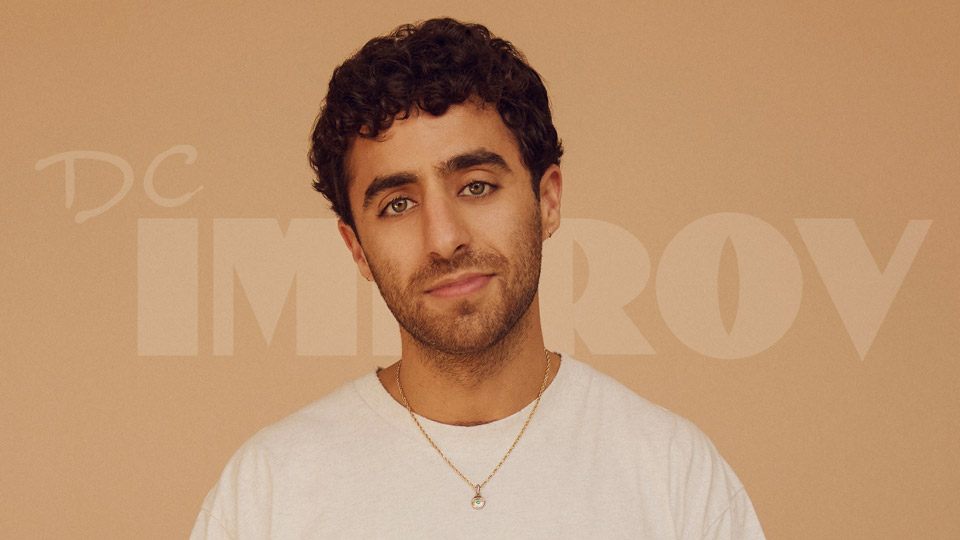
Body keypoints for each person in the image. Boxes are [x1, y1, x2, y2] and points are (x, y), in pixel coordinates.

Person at [190, 18, 766, 539]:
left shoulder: (674, 476)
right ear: (357, 248)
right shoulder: (268, 494)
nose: (444, 239)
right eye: (397, 204)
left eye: (476, 186)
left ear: (547, 201)